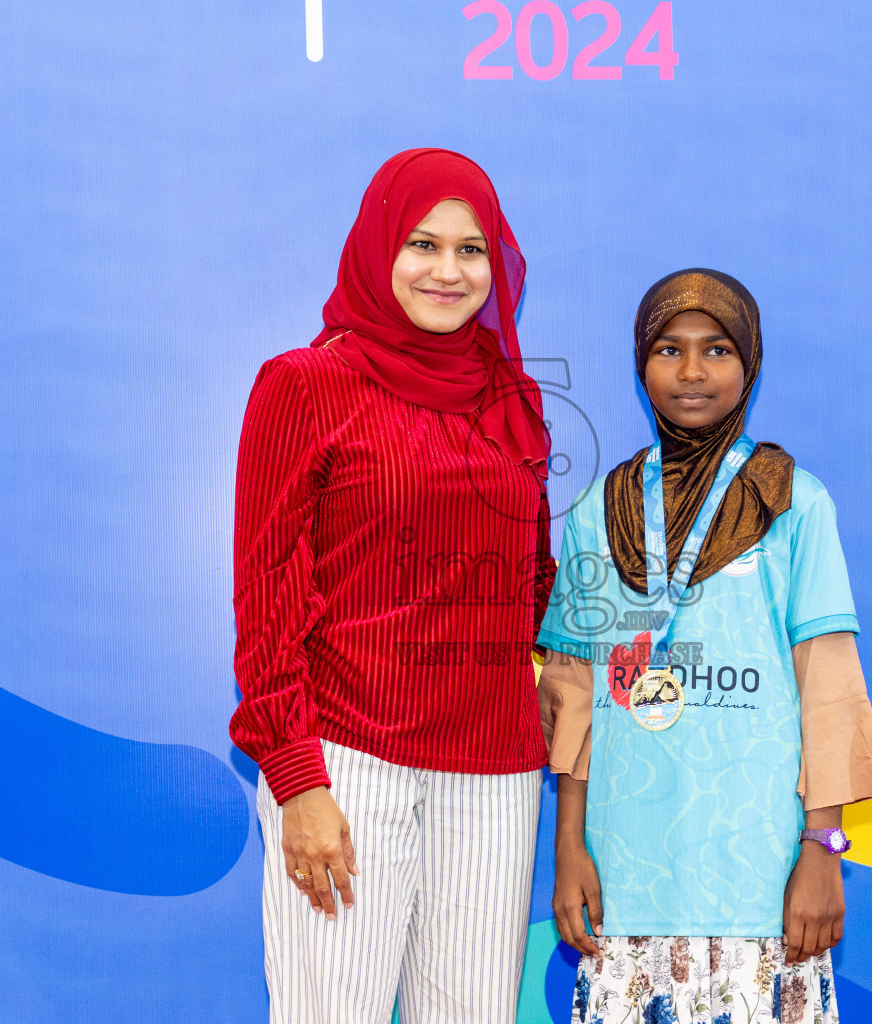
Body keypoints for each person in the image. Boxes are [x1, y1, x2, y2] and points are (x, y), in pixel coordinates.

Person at [230, 149, 554, 1024]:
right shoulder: (306, 385)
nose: (449, 271)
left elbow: (532, 583)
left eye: (472, 249)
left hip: (494, 772)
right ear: (379, 249)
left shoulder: (511, 397)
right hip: (347, 760)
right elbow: (267, 600)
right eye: (422, 243)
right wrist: (298, 779)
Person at [537, 269, 872, 1024]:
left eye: (718, 349)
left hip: (763, 890)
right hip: (627, 887)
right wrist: (568, 846)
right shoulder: (596, 512)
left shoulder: (793, 500)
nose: (693, 372)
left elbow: (827, 688)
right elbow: (571, 698)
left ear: (751, 365)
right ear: (641, 364)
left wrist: (822, 849)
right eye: (669, 348)